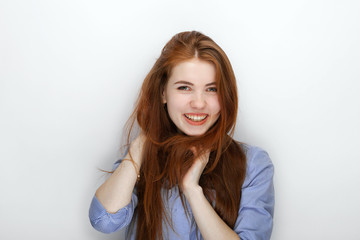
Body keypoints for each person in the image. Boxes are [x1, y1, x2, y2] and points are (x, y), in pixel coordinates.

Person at [89, 31, 274, 240]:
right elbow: (104, 221)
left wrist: (192, 191)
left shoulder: (253, 163)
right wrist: (142, 144)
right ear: (163, 93)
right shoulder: (138, 157)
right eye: (185, 87)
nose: (199, 103)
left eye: (212, 89)